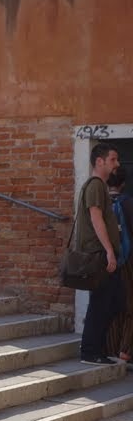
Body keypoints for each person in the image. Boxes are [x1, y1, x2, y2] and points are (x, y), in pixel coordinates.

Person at [78, 143, 123, 365]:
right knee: (101, 302)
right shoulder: (96, 185)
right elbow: (96, 218)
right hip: (99, 254)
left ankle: (98, 349)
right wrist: (108, 252)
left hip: (103, 253)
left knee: (111, 301)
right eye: (113, 159)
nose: (117, 164)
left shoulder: (100, 187)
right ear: (100, 161)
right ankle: (90, 351)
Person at [105, 167, 133, 361]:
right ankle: (126, 350)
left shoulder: (101, 204)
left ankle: (111, 349)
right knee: (130, 305)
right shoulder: (129, 204)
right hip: (129, 261)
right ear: (123, 183)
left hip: (106, 261)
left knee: (111, 304)